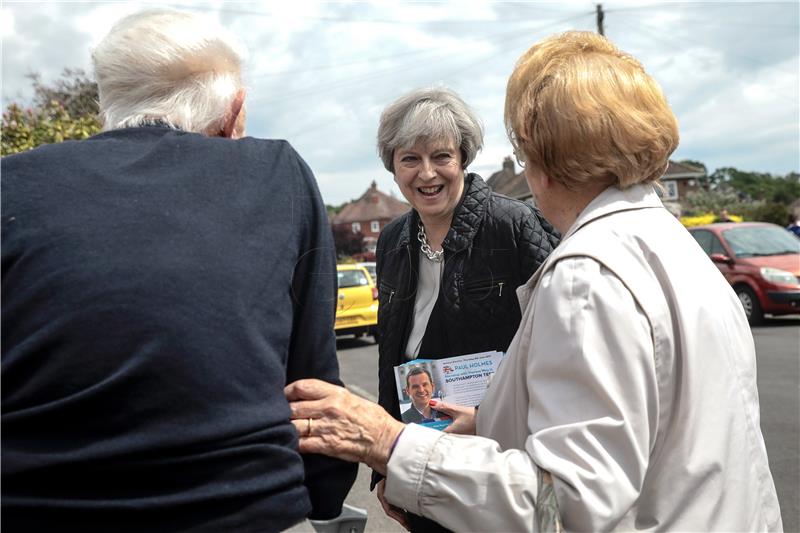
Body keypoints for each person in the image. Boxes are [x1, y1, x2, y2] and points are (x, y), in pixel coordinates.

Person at [286, 30, 783, 532]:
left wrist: (389, 443)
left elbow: (566, 507)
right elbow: (642, 425)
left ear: (544, 161)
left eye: (523, 153)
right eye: (409, 158)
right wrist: (484, 425)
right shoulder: (676, 247)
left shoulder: (587, 279)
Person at [1, 10, 356, 532]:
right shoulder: (275, 171)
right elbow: (310, 383)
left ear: (107, 102)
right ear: (234, 114)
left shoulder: (12, 185)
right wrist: (323, 504)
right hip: (247, 509)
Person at [372, 86, 559, 531]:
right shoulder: (392, 240)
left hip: (499, 461)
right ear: (392, 167)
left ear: (464, 158)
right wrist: (384, 465)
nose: (427, 173)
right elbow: (388, 357)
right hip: (422, 454)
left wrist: (490, 419)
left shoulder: (515, 225)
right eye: (410, 159)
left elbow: (562, 349)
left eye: (441, 156)